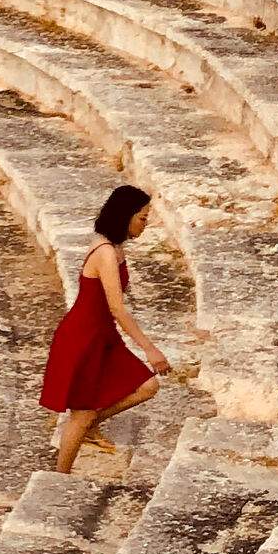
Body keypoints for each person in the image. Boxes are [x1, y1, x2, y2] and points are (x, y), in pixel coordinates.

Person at [40, 183, 170, 473]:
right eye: (143, 218)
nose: (145, 225)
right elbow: (116, 307)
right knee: (81, 413)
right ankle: (59, 478)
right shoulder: (105, 254)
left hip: (102, 334)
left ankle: (90, 426)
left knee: (147, 386)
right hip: (83, 338)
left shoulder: (116, 248)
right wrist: (150, 348)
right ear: (125, 216)